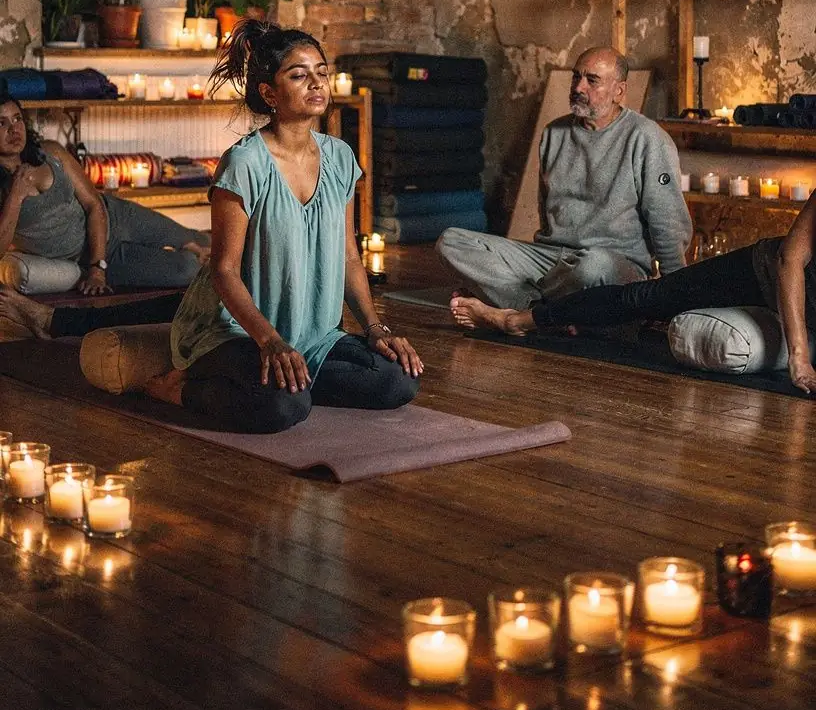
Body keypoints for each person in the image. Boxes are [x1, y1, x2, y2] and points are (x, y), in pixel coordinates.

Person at [0, 23, 424, 433]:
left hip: (314, 334)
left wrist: (374, 329)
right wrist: (271, 342)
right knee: (284, 405)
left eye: (321, 73)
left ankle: (294, 375)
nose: (316, 83)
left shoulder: (340, 157)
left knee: (396, 379)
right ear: (269, 93)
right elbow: (222, 271)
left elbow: (350, 256)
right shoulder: (245, 163)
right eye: (299, 75)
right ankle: (179, 389)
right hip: (235, 330)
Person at [449, 190, 816, 395]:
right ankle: (515, 319)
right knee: (644, 298)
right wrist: (799, 356)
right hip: (759, 274)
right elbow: (789, 260)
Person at [437, 48, 692, 314]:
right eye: (576, 77)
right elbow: (545, 207)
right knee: (452, 242)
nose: (579, 86)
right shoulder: (553, 134)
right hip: (551, 259)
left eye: (592, 80)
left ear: (619, 91)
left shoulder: (647, 138)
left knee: (593, 267)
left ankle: (519, 305)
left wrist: (674, 293)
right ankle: (537, 310)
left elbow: (667, 219)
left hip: (613, 263)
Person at [0, 99, 210, 292]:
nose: (14, 129)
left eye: (17, 119)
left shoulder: (50, 152)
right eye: (1, 123)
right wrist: (15, 196)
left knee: (199, 239)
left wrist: (97, 268)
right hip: (102, 255)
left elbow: (93, 203)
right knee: (188, 269)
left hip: (117, 217)